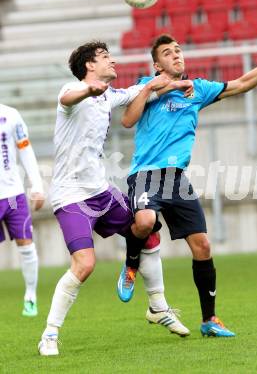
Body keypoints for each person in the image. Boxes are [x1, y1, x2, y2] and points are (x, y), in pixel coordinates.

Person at [117, 34, 257, 337]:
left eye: (178, 50)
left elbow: (242, 83)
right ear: (156, 65)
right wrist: (157, 86)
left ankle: (210, 320)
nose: (176, 55)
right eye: (168, 53)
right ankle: (130, 264)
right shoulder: (147, 86)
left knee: (203, 246)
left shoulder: (199, 89)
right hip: (146, 174)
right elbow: (127, 120)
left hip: (177, 179)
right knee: (145, 221)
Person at [38, 41, 194, 356]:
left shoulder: (110, 95)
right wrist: (87, 91)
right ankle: (49, 336)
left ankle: (158, 307)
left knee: (147, 229)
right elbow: (67, 99)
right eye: (106, 57)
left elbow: (143, 91)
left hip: (101, 191)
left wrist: (176, 84)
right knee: (85, 265)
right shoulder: (74, 89)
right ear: (89, 66)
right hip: (71, 195)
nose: (113, 61)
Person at [0, 103, 45, 317]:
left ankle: (30, 296)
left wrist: (36, 185)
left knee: (26, 245)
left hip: (13, 195)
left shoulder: (10, 115)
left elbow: (25, 149)